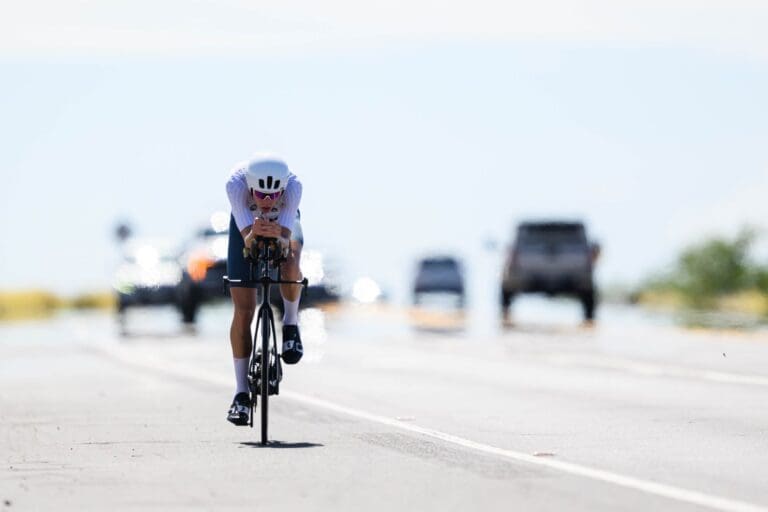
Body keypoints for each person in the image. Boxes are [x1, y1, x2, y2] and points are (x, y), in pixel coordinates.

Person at [224, 154, 304, 426]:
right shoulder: (235, 185)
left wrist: (280, 237)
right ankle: (241, 394)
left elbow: (286, 235)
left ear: (283, 188)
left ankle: (291, 323)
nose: (267, 201)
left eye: (274, 195)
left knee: (291, 258)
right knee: (244, 308)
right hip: (245, 225)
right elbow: (247, 238)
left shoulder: (294, 187)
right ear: (249, 187)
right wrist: (253, 234)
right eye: (260, 194)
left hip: (283, 222)